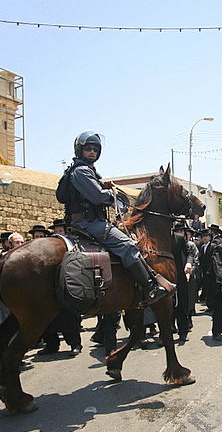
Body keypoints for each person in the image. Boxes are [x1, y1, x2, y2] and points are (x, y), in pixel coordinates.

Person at [58, 131, 168, 306]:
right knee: (128, 245)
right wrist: (113, 194)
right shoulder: (82, 171)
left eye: (95, 149)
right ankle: (150, 288)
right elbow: (97, 197)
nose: (92, 152)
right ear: (80, 150)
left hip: (87, 221)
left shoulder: (83, 171)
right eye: (88, 149)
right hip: (90, 223)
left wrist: (102, 185)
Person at [172, 222, 196, 342]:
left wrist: (188, 263)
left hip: (180, 276)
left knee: (182, 305)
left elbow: (190, 254)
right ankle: (168, 332)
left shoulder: (179, 239)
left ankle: (183, 332)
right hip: (166, 276)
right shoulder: (160, 238)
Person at [198, 229, 215, 306]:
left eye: (206, 236)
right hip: (204, 270)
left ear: (210, 237)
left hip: (211, 271)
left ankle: (212, 304)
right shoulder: (202, 247)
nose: (205, 238)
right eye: (203, 236)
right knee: (207, 287)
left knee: (211, 288)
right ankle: (209, 304)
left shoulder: (213, 246)